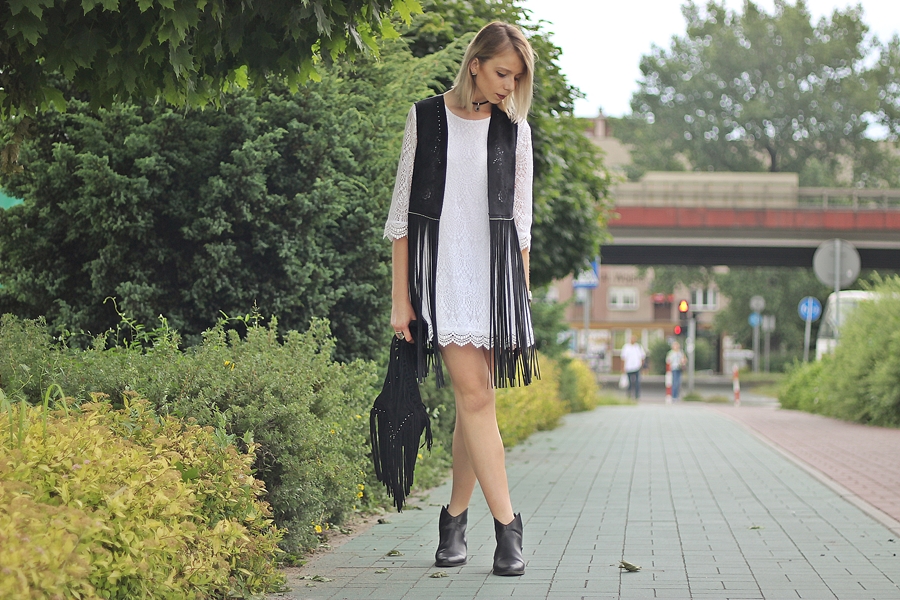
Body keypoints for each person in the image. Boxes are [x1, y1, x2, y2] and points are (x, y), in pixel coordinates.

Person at [384, 21, 537, 577]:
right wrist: (400, 300)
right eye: (502, 73)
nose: (508, 86)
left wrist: (519, 301)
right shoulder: (425, 118)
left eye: (516, 78)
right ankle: (508, 527)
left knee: (477, 404)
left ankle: (453, 521)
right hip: (443, 277)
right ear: (475, 63)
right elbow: (401, 217)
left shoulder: (514, 131)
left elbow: (521, 225)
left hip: (495, 283)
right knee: (475, 398)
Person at [620, 335, 646, 400]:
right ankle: (629, 394)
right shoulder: (626, 347)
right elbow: (623, 358)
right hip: (628, 367)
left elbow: (642, 357)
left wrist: (641, 365)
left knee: (637, 382)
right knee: (629, 382)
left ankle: (637, 394)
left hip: (636, 367)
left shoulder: (638, 347)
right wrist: (623, 367)